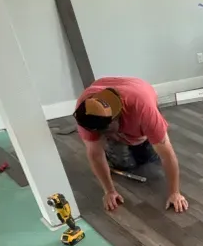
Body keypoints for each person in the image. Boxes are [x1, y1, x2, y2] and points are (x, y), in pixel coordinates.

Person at [73, 76, 188, 213]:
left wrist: (175, 192)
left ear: (116, 117)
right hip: (110, 90)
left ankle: (140, 140)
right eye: (104, 135)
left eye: (108, 132)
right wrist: (109, 191)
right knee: (125, 164)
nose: (107, 136)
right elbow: (95, 154)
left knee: (150, 156)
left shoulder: (143, 109)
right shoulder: (86, 110)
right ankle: (116, 150)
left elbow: (167, 155)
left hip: (139, 92)